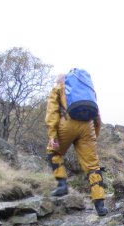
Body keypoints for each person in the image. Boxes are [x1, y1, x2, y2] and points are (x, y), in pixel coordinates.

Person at [45, 71, 107, 216]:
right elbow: (97, 116)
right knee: (93, 166)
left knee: (53, 152)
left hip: (67, 123)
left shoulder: (59, 88)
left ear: (60, 80)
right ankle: (100, 205)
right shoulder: (87, 90)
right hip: (88, 127)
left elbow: (52, 112)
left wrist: (52, 135)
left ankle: (62, 185)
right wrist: (94, 136)